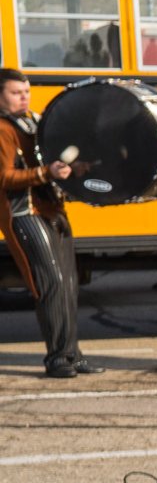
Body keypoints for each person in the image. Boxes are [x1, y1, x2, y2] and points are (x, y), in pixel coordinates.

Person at [2, 69, 85, 378]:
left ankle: (73, 354)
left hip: (51, 209)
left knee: (69, 284)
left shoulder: (33, 122)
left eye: (26, 91)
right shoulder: (3, 129)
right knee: (51, 283)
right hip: (24, 214)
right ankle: (58, 358)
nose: (24, 96)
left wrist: (72, 168)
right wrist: (47, 173)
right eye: (15, 92)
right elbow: (4, 177)